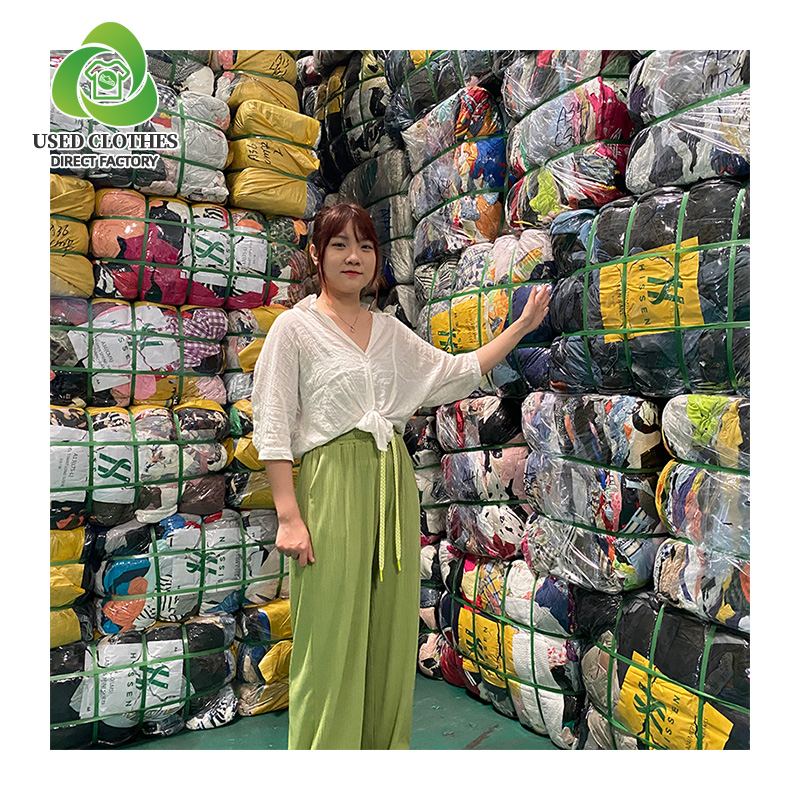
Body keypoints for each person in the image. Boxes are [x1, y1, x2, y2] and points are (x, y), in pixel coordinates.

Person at [252, 202, 550, 750]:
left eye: (365, 246)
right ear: (316, 255)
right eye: (340, 245)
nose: (354, 257)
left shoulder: (389, 331)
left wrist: (522, 327)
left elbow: (455, 372)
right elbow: (271, 423)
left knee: (390, 631)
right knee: (329, 633)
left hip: (391, 482)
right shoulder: (295, 329)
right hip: (330, 483)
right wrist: (288, 516)